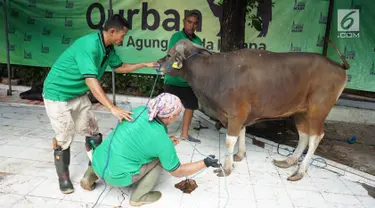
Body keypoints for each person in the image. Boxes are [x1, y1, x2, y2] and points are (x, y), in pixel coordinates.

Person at [42, 14, 159, 194]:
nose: (123, 39)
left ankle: (94, 168)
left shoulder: (108, 48)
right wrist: (112, 108)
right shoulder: (88, 46)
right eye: (122, 35)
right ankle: (63, 177)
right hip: (57, 93)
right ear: (112, 31)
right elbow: (90, 80)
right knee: (65, 137)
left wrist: (145, 64)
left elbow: (119, 67)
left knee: (93, 133)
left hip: (77, 93)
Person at [90, 93, 220, 206]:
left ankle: (88, 178)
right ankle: (138, 197)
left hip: (96, 161)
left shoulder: (139, 110)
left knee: (112, 147)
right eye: (177, 113)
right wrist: (205, 163)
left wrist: (165, 143)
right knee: (159, 160)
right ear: (170, 117)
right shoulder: (162, 141)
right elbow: (177, 171)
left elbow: (139, 137)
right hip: (117, 177)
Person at [162, 11, 203, 144]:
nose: (192, 25)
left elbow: (198, 61)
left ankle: (184, 135)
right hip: (173, 80)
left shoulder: (197, 41)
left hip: (188, 82)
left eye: (195, 23)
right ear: (184, 22)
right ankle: (161, 135)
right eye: (189, 22)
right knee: (167, 108)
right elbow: (173, 55)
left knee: (190, 106)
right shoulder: (176, 36)